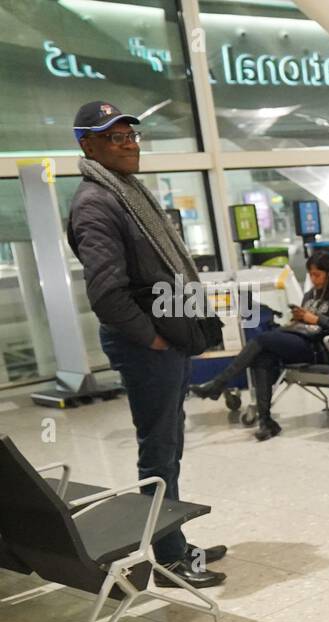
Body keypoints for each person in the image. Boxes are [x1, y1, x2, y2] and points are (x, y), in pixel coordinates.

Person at [66, 101, 225, 588]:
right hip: (146, 345)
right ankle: (168, 559)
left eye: (131, 135)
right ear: (87, 145)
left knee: (169, 445)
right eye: (114, 137)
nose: (129, 143)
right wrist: (153, 340)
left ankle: (172, 541)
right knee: (158, 450)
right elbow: (106, 292)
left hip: (163, 338)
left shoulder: (128, 193)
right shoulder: (97, 202)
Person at [191, 250, 329, 440]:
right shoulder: (311, 294)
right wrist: (299, 318)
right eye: (311, 274)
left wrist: (318, 319)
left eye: (317, 275)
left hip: (317, 346)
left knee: (262, 340)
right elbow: (306, 320)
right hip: (298, 337)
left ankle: (217, 384)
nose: (313, 279)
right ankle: (266, 422)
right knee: (263, 358)